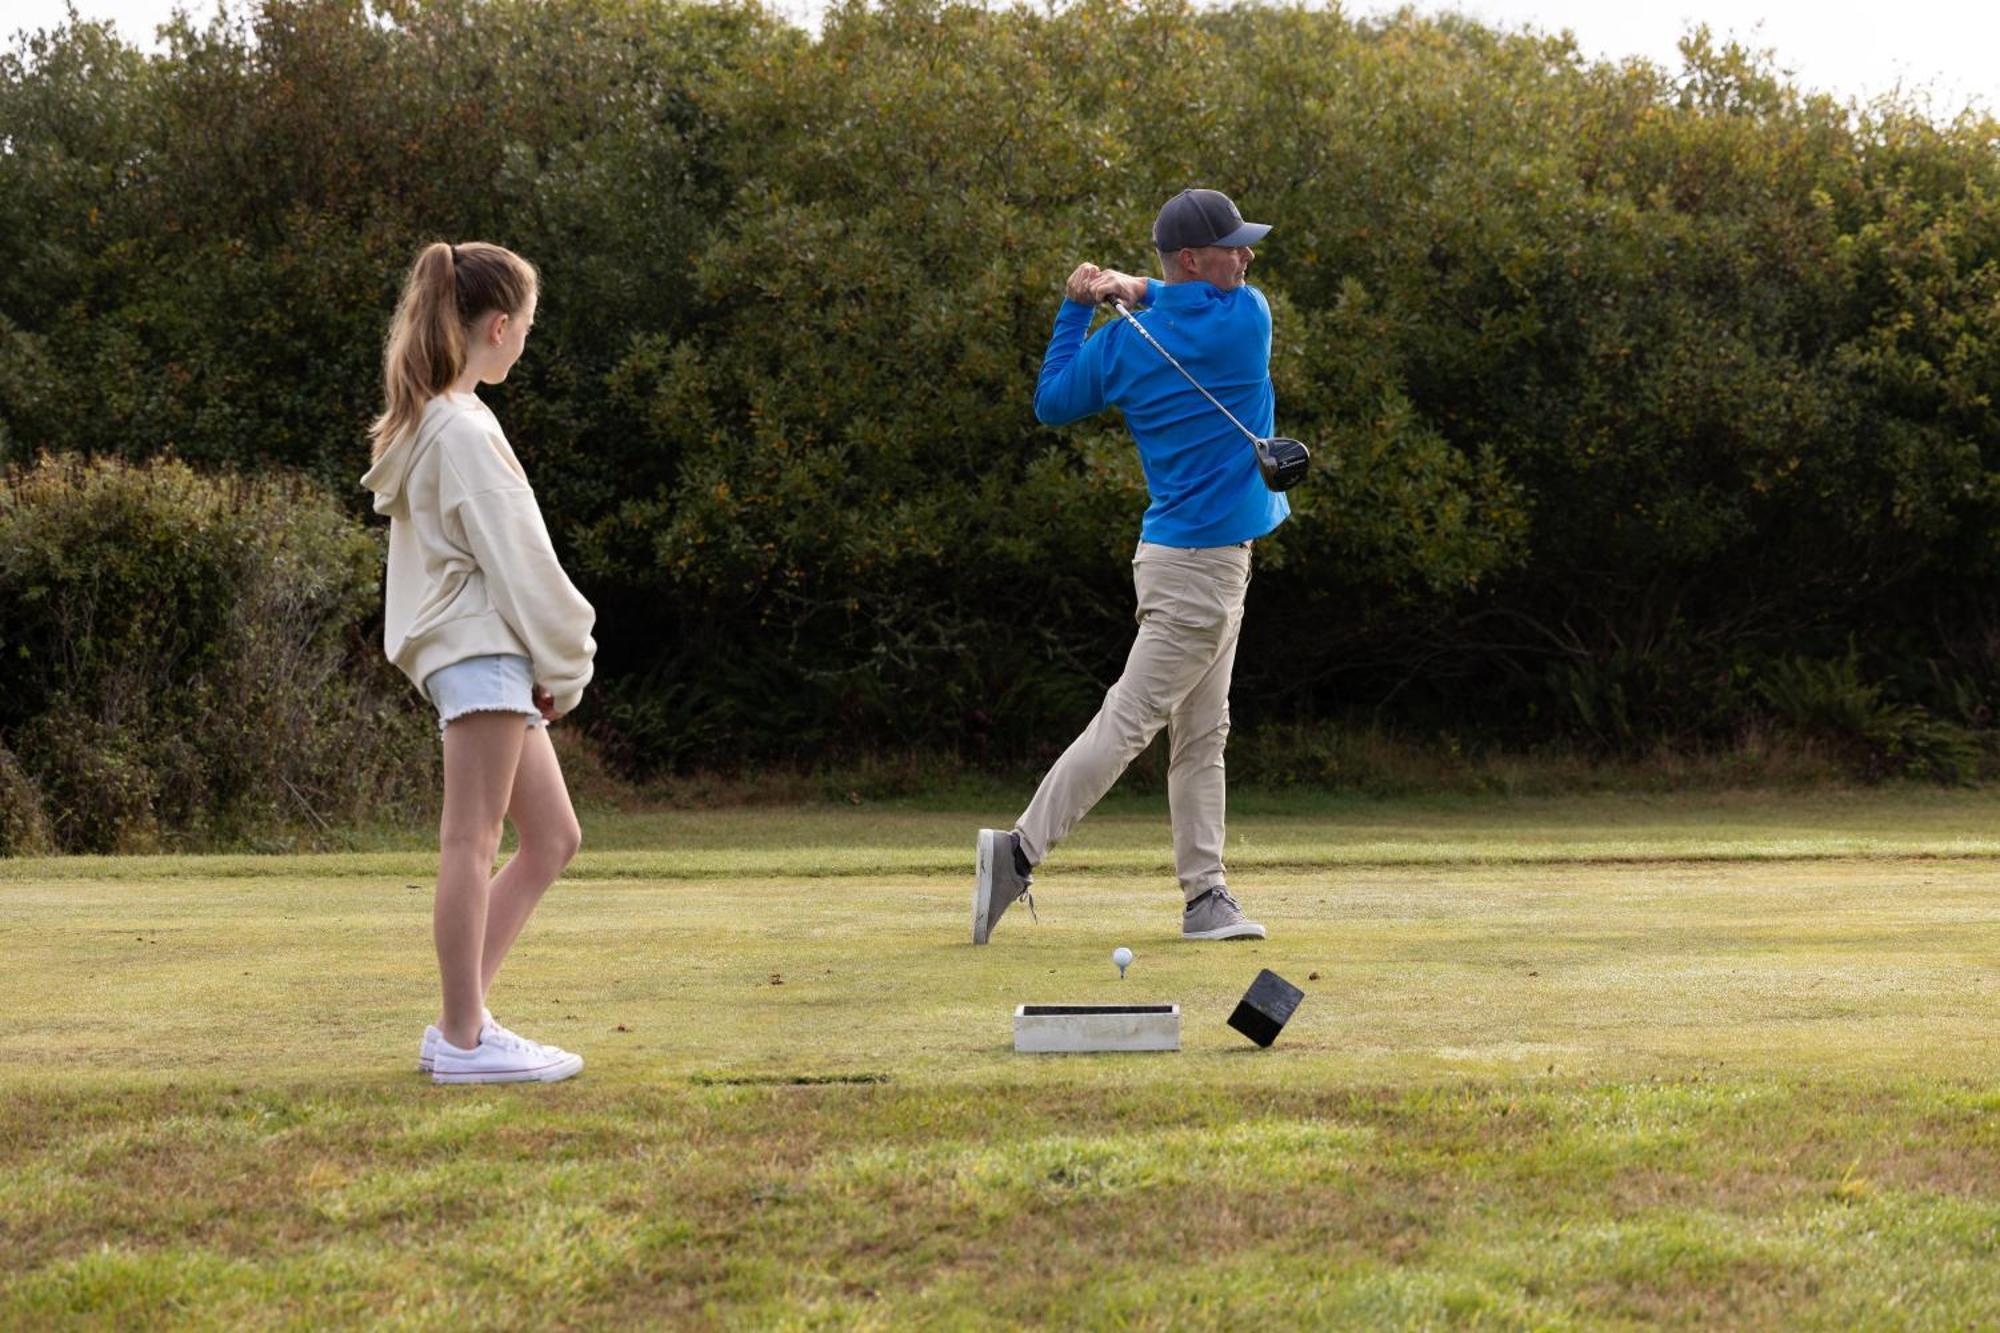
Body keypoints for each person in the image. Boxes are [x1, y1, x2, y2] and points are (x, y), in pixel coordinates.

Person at [974, 189, 1290, 945]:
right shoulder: (1248, 321)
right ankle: (1017, 851)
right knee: (1130, 722)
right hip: (1203, 574)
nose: (1246, 258)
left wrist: (1081, 304)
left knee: (1203, 734)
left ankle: (1205, 895)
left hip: (1177, 559)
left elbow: (1052, 400)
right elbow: (1195, 305)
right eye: (1231, 247)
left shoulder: (1126, 345)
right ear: (1192, 259)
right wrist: (1133, 287)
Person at [361, 241, 597, 1083]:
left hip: (480, 654)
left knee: (554, 836)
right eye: (526, 327)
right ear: (499, 326)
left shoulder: (437, 420)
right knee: (471, 837)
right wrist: (569, 663)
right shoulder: (462, 427)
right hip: (483, 653)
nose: (526, 341)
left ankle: (463, 1021)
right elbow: (521, 560)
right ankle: (464, 1037)